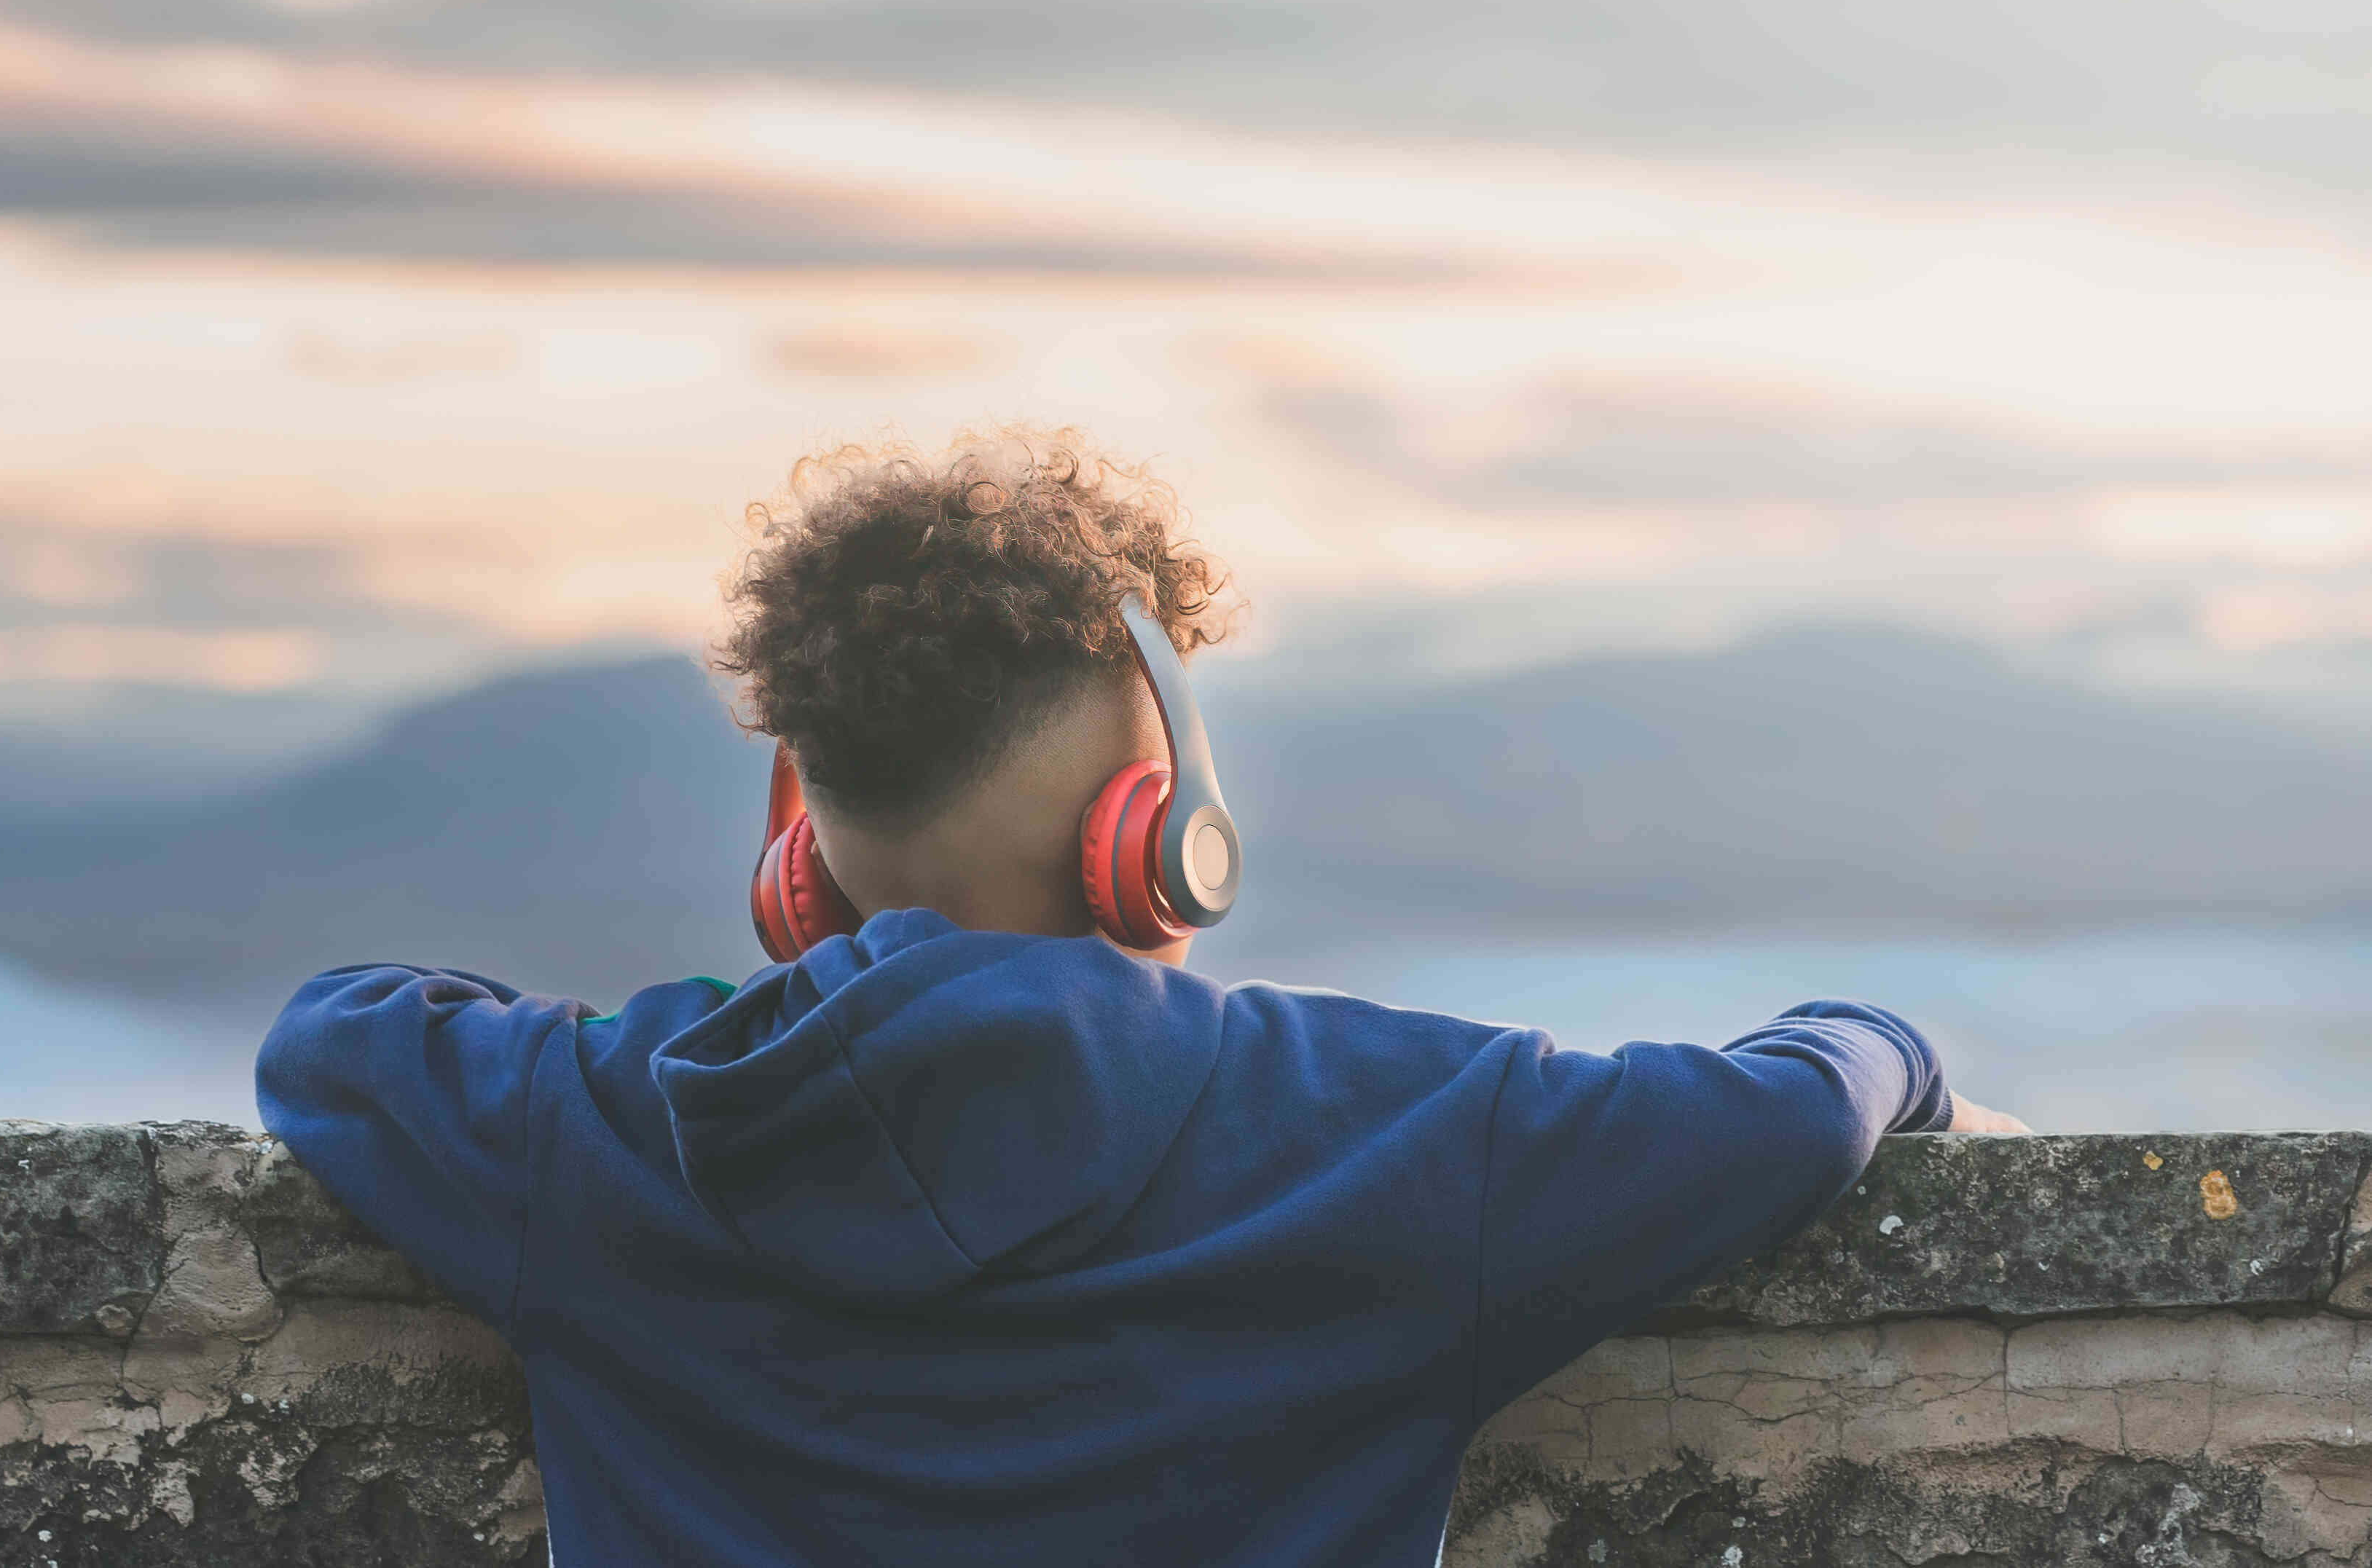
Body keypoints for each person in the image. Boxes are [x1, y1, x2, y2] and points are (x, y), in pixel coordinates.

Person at [256, 428, 2027, 1567]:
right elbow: (1795, 1103)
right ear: (1158, 824)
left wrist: (648, 1035)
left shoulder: (593, 1131)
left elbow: (336, 1036)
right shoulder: (1402, 1127)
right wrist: (1904, 1053)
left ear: (796, 839)